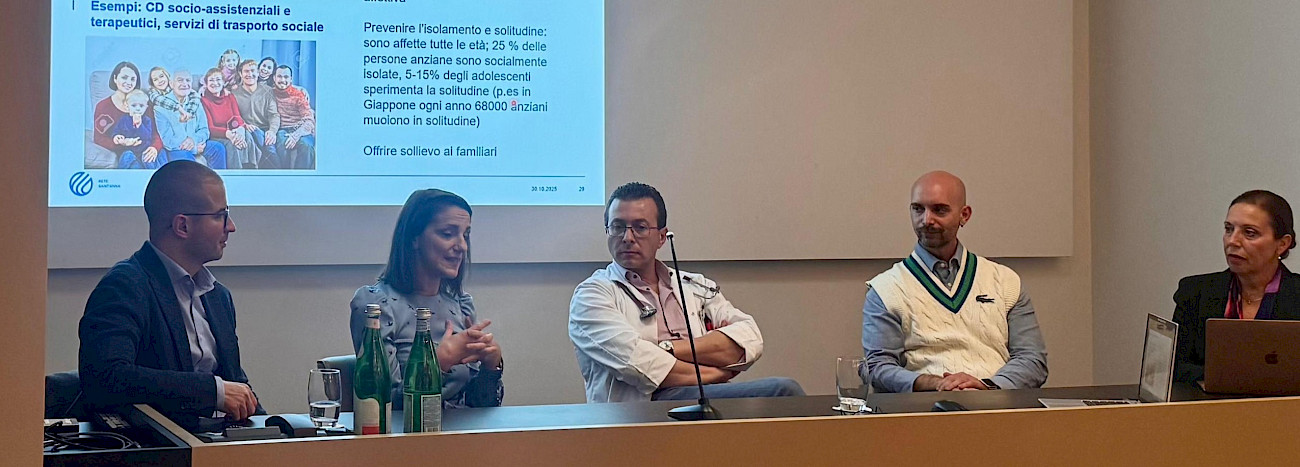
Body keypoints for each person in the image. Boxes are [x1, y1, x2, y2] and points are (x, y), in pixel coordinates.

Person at [569, 182, 804, 403]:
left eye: (640, 228)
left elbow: (749, 338)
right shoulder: (592, 295)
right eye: (618, 227)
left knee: (783, 395)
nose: (627, 238)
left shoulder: (694, 285)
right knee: (783, 391)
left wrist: (668, 348)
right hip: (644, 406)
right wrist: (714, 373)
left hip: (703, 397)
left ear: (662, 237)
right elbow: (638, 364)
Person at [79, 160, 260, 429]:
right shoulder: (124, 287)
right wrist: (212, 391)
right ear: (182, 226)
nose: (231, 226)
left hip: (216, 442)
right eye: (220, 215)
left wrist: (280, 432)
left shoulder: (218, 296)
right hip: (156, 445)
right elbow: (106, 377)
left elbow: (236, 386)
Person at [863, 171, 1048, 393]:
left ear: (964, 215)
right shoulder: (886, 289)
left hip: (997, 404)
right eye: (918, 209)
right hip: (925, 407)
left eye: (939, 210)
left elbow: (1032, 359)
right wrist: (935, 383)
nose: (926, 220)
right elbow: (878, 367)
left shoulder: (1006, 282)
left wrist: (986, 386)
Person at [349, 189, 504, 408]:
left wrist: (491, 367)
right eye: (448, 234)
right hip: (407, 430)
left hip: (462, 430)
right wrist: (439, 362)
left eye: (465, 235)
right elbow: (383, 404)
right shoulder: (376, 306)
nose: (462, 246)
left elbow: (476, 407)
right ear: (414, 238)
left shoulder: (461, 305)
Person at [1173, 190, 1300, 383]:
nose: (1233, 241)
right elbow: (1175, 369)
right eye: (1228, 229)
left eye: (1250, 233)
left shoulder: (1295, 295)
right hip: (1207, 402)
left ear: (1282, 244)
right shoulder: (1195, 292)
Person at [92, 61, 163, 166]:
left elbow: (157, 132)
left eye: (133, 79)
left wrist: (155, 147)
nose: (129, 82)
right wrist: (120, 142)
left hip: (146, 149)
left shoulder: (144, 103)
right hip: (125, 152)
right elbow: (99, 138)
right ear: (115, 78)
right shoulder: (104, 106)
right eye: (124, 77)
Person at [154, 69, 226, 169]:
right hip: (176, 148)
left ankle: (217, 179)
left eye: (188, 80)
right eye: (180, 80)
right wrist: (194, 148)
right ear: (171, 84)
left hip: (195, 142)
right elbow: (167, 140)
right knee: (186, 159)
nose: (185, 84)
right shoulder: (160, 107)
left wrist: (193, 140)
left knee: (218, 148)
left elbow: (204, 130)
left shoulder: (195, 101)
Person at [200, 68, 259, 169]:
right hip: (217, 135)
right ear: (206, 84)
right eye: (211, 80)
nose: (215, 83)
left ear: (223, 82)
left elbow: (237, 117)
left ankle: (250, 169)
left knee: (247, 135)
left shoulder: (230, 97)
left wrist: (239, 132)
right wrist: (228, 134)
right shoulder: (203, 101)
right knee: (231, 144)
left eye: (218, 79)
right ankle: (236, 174)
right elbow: (210, 128)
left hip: (233, 132)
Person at [231, 59, 282, 168]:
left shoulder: (268, 91)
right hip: (245, 130)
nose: (250, 74)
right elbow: (232, 116)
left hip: (264, 130)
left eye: (253, 71)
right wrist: (244, 125)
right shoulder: (234, 93)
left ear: (258, 73)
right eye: (246, 71)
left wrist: (272, 131)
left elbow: (274, 115)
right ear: (240, 74)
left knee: (270, 150)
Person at [271, 65, 316, 169]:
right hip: (281, 129)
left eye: (286, 77)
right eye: (279, 76)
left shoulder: (299, 94)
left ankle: (301, 177)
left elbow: (309, 119)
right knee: (282, 145)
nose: (283, 80)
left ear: (291, 79)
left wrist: (296, 135)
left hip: (300, 129)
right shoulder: (269, 94)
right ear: (274, 78)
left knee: (307, 147)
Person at [111, 90, 158, 169]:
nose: (138, 109)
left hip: (144, 150)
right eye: (134, 105)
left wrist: (140, 125)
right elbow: (116, 130)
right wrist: (117, 137)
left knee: (148, 159)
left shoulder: (147, 120)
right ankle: (120, 174)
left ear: (146, 107)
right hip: (129, 150)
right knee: (126, 156)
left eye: (141, 106)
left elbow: (147, 136)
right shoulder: (123, 120)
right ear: (127, 106)